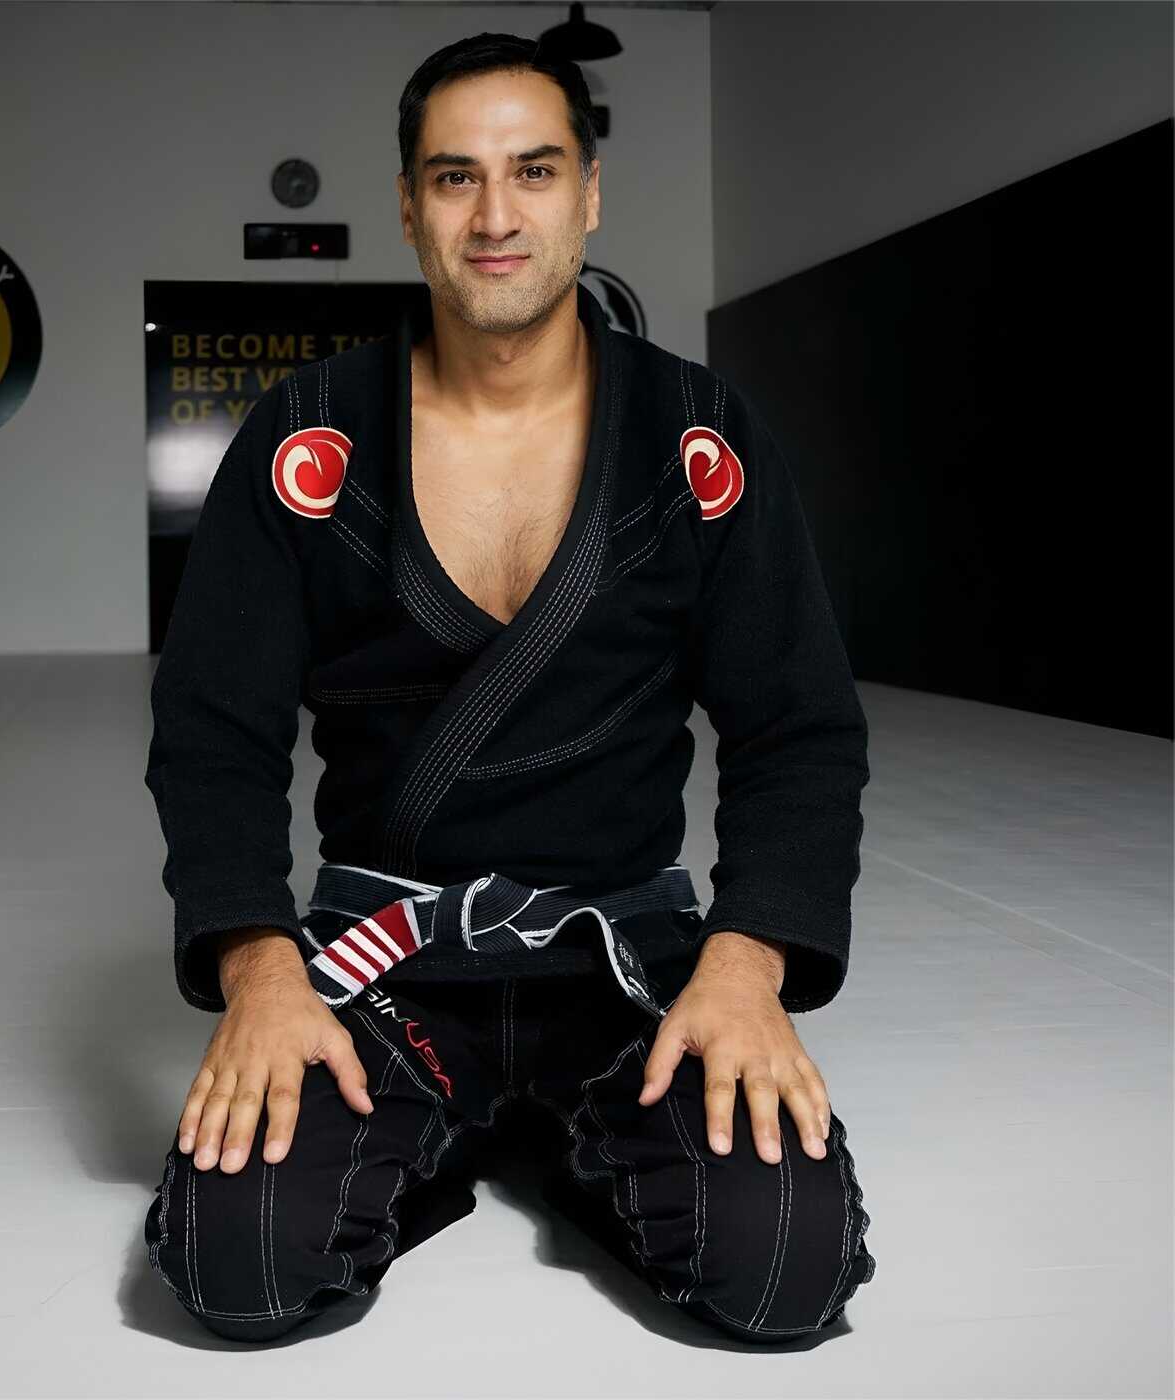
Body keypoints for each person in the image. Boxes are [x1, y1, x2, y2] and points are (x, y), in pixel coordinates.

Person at [142, 31, 877, 1345]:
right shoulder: (309, 436)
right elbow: (213, 730)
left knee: (782, 1272)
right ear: (408, 204)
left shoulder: (700, 438)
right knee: (240, 1263)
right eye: (455, 177)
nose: (495, 216)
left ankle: (562, 1129)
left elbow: (798, 727)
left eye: (534, 171)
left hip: (624, 959)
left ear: (589, 193)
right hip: (389, 959)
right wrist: (260, 967)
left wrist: (747, 961)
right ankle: (471, 1123)